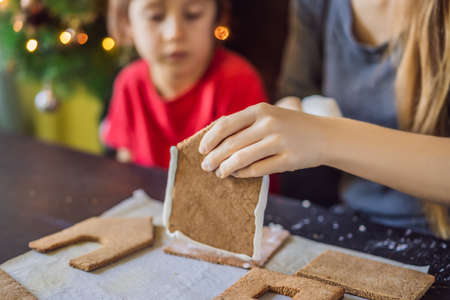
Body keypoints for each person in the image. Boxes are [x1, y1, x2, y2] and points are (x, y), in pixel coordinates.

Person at [197, 0, 450, 237]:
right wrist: (285, 120)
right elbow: (296, 92)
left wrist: (325, 137)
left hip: (438, 235)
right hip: (355, 220)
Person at [101, 0, 267, 168]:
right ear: (127, 23)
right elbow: (126, 164)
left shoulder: (238, 80)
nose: (174, 33)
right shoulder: (129, 83)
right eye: (155, 17)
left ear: (216, 18)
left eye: (193, 14)